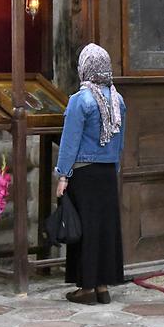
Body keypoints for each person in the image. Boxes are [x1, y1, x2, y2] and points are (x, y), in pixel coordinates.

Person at [55, 43, 126, 305]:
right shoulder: (118, 100)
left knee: (84, 230)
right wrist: (113, 169)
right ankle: (103, 287)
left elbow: (70, 141)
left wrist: (62, 176)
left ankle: (85, 288)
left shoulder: (80, 100)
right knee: (105, 230)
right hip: (107, 174)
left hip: (83, 175)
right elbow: (120, 141)